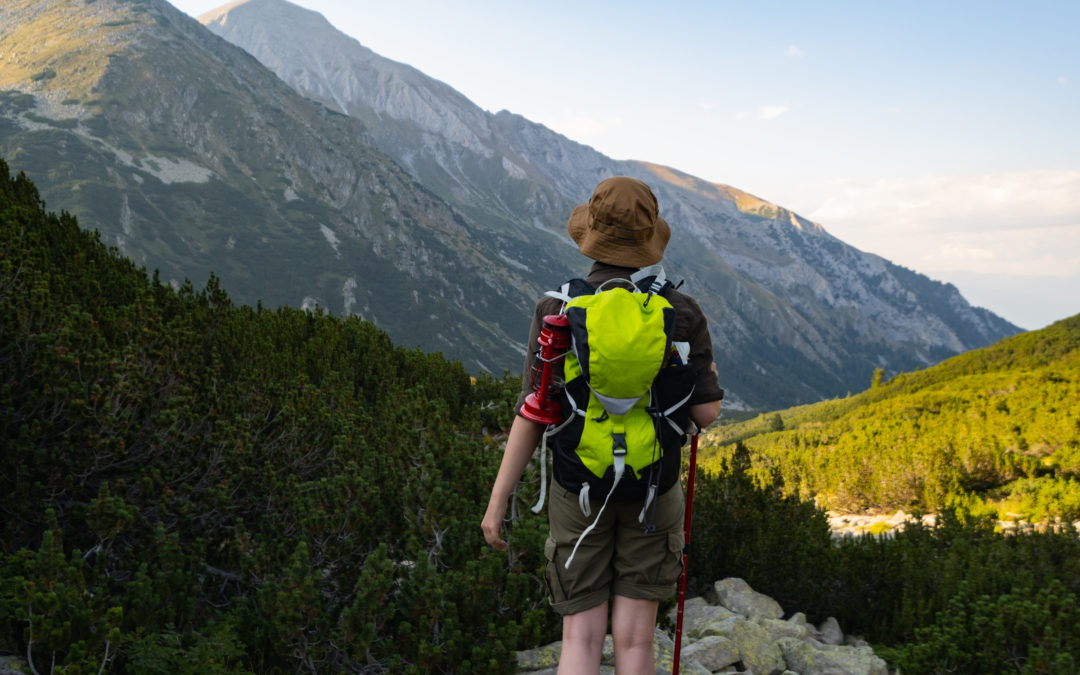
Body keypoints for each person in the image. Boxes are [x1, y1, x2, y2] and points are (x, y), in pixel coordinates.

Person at [481, 176, 723, 674]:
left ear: (588, 234)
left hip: (578, 486)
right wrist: (708, 376)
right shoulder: (680, 311)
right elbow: (704, 414)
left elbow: (534, 409)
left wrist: (499, 497)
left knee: (580, 636)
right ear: (649, 240)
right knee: (636, 640)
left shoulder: (558, 310)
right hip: (655, 487)